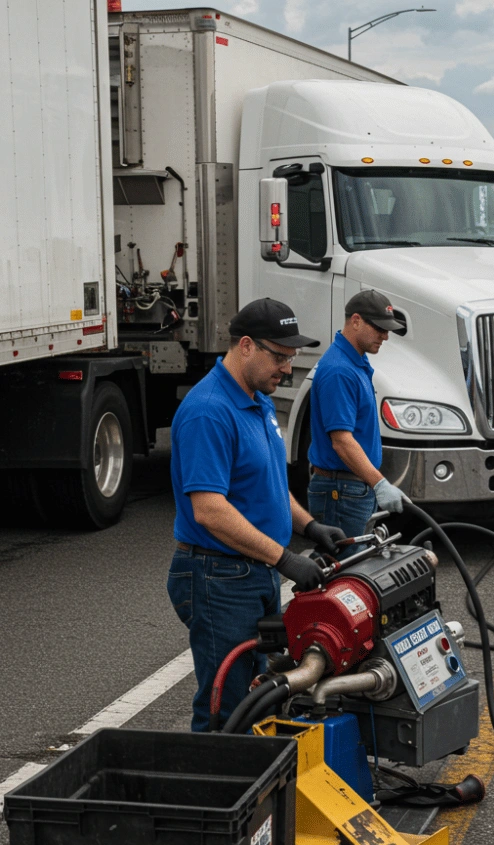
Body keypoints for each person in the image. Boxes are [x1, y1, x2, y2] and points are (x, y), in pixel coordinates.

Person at [168, 298, 347, 732]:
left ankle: (254, 788)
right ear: (246, 346)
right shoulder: (209, 410)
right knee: (226, 707)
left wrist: (308, 525)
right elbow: (209, 510)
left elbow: (266, 483)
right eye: (280, 357)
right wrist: (285, 559)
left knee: (258, 695)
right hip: (218, 576)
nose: (287, 369)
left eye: (291, 358)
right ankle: (215, 794)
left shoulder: (256, 399)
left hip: (252, 572)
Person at [308, 290, 408, 549]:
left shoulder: (355, 362)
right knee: (345, 574)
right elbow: (341, 441)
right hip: (340, 491)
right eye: (379, 329)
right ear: (355, 321)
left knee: (355, 570)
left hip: (348, 489)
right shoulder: (340, 370)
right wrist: (380, 483)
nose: (385, 336)